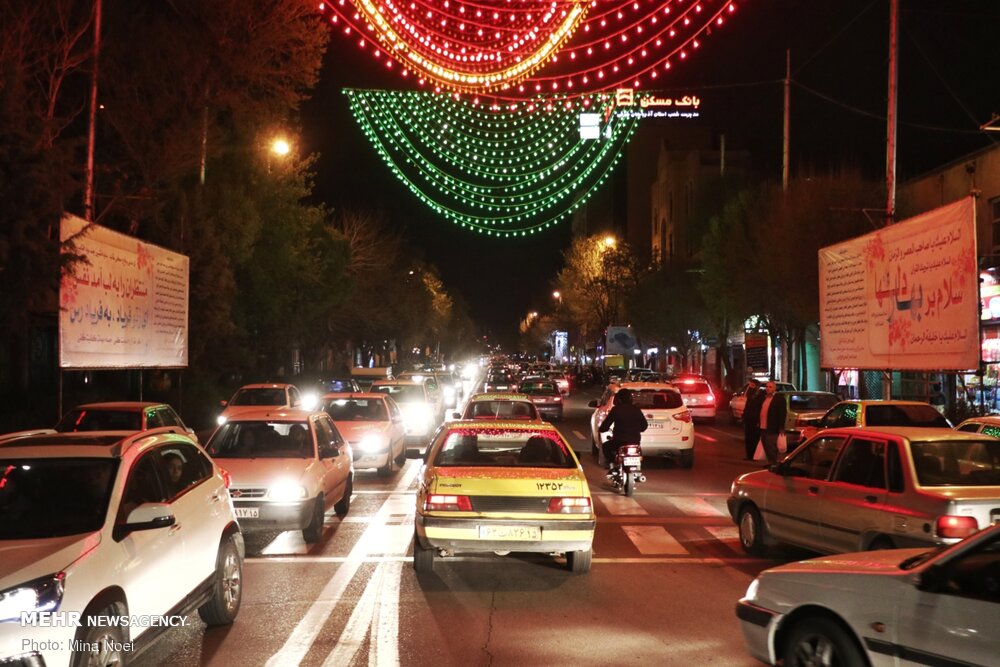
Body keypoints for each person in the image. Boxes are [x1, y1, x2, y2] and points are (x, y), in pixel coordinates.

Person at [598, 388, 648, 470]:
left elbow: (605, 425)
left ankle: (611, 465)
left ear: (619, 399)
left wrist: (602, 429)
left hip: (619, 441)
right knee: (639, 452)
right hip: (635, 441)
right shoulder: (636, 410)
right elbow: (644, 426)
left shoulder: (616, 410)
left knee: (606, 446)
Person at [760, 381, 787, 464]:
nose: (767, 388)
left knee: (771, 446)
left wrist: (781, 427)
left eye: (770, 387)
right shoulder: (764, 398)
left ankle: (773, 463)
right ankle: (770, 462)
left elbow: (782, 414)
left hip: (772, 427)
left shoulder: (779, 399)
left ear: (774, 388)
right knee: (765, 446)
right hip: (763, 427)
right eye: (767, 387)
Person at [742, 379, 764, 460]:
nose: (750, 387)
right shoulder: (750, 395)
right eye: (750, 385)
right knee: (748, 438)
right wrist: (744, 416)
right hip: (748, 419)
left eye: (752, 385)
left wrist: (759, 420)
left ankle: (755, 455)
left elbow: (761, 409)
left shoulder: (761, 395)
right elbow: (747, 407)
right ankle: (749, 455)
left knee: (755, 438)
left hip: (756, 420)